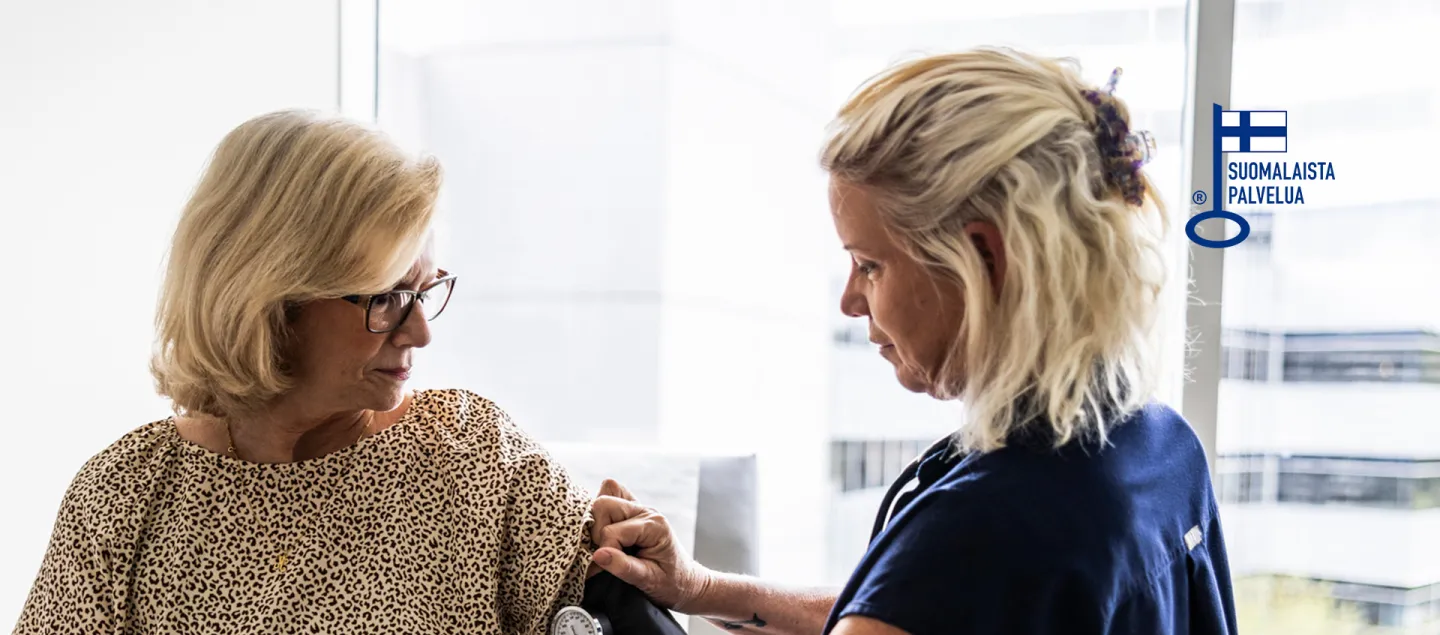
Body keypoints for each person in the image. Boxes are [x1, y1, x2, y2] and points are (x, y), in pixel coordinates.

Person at [589, 47, 1238, 635]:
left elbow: (940, 587)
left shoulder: (979, 530)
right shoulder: (1161, 447)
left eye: (869, 265)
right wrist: (702, 588)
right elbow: (926, 605)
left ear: (984, 257)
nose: (849, 300)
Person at [14, 110, 596, 634]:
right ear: (269, 301)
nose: (421, 332)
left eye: (427, 289)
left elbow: (627, 614)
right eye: (388, 295)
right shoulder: (124, 496)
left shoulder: (475, 457)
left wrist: (693, 589)